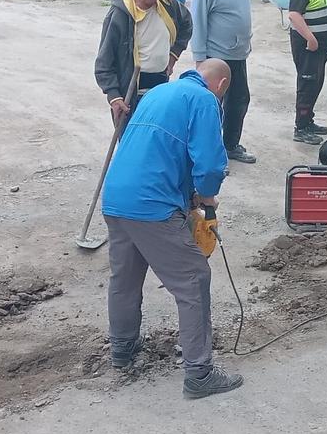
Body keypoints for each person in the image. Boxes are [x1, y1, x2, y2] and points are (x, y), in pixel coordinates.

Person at [100, 59, 243, 400]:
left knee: (125, 277)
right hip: (151, 205)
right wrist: (206, 198)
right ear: (220, 85)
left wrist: (187, 195)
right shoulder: (205, 99)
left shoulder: (159, 92)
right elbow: (209, 163)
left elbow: (158, 150)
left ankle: (122, 349)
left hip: (117, 197)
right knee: (194, 278)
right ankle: (199, 373)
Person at [95, 0, 192, 127]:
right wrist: (114, 97)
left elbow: (187, 24)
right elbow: (104, 64)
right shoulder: (119, 15)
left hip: (160, 88)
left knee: (156, 140)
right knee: (131, 146)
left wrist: (173, 55)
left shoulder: (168, 4)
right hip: (129, 95)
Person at [190, 0, 256, 165]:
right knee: (212, 108)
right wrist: (200, 59)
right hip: (216, 57)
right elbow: (197, 22)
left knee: (239, 100)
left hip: (238, 55)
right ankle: (211, 155)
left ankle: (230, 145)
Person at [287, 0, 327, 145]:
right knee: (307, 84)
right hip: (308, 48)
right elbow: (294, 14)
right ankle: (301, 127)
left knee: (316, 83)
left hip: (318, 49)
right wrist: (311, 38)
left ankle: (308, 121)